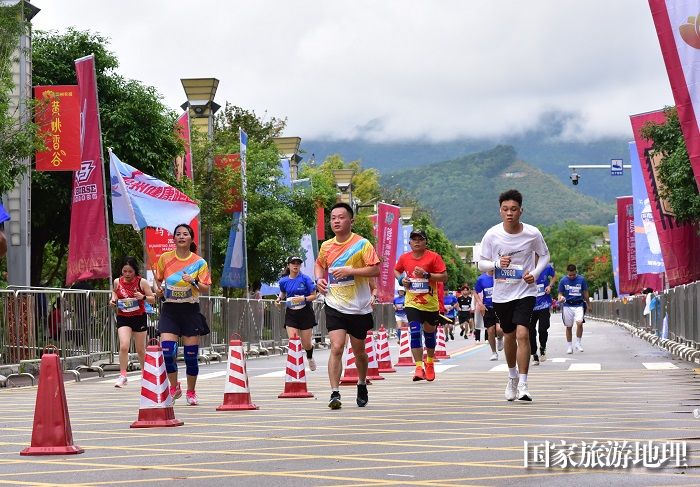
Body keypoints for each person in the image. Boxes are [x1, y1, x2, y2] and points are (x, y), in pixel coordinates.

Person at [478, 189, 550, 402]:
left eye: (514, 209)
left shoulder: (532, 233)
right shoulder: (492, 234)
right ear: (500, 211)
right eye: (505, 209)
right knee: (509, 336)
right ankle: (512, 378)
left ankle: (525, 385)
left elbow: (545, 255)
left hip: (525, 292)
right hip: (502, 295)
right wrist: (496, 264)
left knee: (523, 334)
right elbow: (481, 264)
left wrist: (535, 274)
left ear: (521, 211)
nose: (509, 213)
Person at [314, 203, 380, 409]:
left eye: (341, 217)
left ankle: (361, 383)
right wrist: (318, 279)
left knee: (359, 351)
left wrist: (352, 271)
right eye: (333, 217)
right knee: (336, 346)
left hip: (358, 306)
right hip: (334, 303)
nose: (336, 221)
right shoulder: (326, 246)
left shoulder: (363, 244)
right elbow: (319, 264)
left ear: (351, 221)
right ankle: (335, 392)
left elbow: (375, 270)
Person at [154, 223, 212, 406]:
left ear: (191, 239)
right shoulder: (165, 258)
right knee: (167, 352)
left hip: (190, 310)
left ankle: (192, 392)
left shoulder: (199, 262)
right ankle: (174, 386)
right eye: (177, 234)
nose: (181, 236)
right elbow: (159, 282)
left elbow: (205, 288)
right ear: (173, 239)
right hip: (170, 310)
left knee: (190, 356)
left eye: (185, 234)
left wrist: (193, 280)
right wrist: (159, 291)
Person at [394, 229, 448, 382]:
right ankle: (418, 367)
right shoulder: (404, 258)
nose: (417, 241)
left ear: (425, 242)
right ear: (409, 242)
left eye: (420, 239)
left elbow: (444, 277)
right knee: (415, 331)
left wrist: (427, 275)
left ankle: (429, 362)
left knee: (429, 334)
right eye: (414, 239)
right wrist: (401, 280)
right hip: (412, 302)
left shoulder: (434, 257)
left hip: (430, 303)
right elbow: (396, 271)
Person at [110, 256, 155, 387]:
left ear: (135, 271)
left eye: (130, 271)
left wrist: (143, 297)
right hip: (123, 317)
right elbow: (115, 293)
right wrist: (113, 300)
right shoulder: (117, 281)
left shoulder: (142, 282)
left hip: (138, 317)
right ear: (121, 271)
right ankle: (123, 375)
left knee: (140, 349)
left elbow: (152, 299)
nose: (127, 274)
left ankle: (144, 374)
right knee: (124, 345)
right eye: (125, 271)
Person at [276, 256, 318, 371]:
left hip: (305, 312)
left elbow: (314, 295)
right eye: (293, 263)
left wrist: (303, 298)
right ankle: (296, 366)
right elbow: (283, 292)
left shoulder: (306, 279)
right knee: (293, 340)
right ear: (288, 265)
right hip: (291, 313)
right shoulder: (283, 281)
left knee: (306, 344)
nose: (295, 265)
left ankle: (309, 357)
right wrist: (279, 299)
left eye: (298, 263)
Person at [557, 264, 589, 354]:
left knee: (579, 323)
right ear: (567, 273)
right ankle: (569, 346)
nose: (572, 277)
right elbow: (560, 293)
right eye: (570, 275)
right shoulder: (563, 280)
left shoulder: (581, 279)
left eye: (573, 275)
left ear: (576, 272)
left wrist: (589, 305)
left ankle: (578, 343)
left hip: (579, 304)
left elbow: (585, 292)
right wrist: (560, 298)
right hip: (567, 305)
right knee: (569, 327)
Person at [529, 263, 556, 365]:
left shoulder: (546, 266)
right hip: (530, 306)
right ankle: (534, 354)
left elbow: (554, 276)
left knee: (542, 328)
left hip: (544, 304)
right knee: (530, 330)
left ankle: (542, 347)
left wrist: (550, 286)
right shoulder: (526, 266)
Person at [474, 271, 503, 359]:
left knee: (499, 329)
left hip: (500, 306)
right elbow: (475, 292)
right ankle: (494, 353)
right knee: (490, 331)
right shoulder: (481, 279)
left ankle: (500, 338)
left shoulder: (501, 275)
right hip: (487, 308)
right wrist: (480, 304)